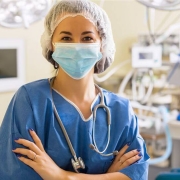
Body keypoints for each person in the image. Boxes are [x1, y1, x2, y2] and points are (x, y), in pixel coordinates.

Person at [0, 0, 149, 179]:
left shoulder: (121, 110)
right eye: (66, 38)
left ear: (102, 44)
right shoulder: (30, 101)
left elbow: (137, 175)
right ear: (51, 44)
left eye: (87, 38)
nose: (77, 46)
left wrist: (61, 176)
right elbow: (16, 174)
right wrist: (108, 176)